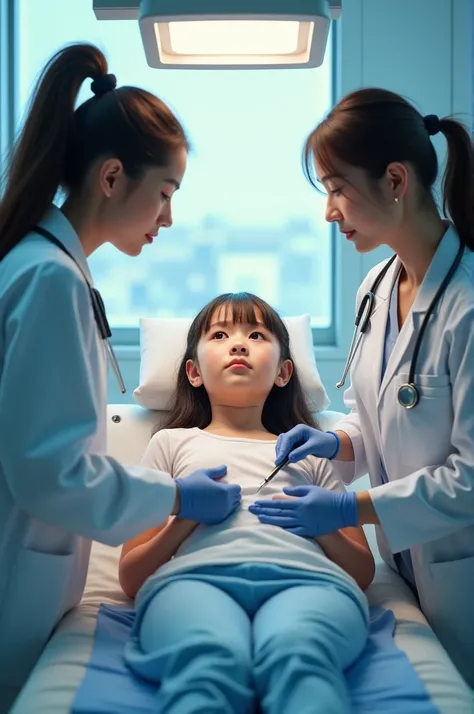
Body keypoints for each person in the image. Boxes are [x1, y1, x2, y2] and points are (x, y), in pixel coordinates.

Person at [0, 42, 240, 699]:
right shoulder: (47, 278)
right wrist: (176, 497)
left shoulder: (44, 267)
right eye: (165, 193)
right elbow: (51, 474)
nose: (169, 217)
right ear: (111, 178)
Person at [250, 87, 474, 687]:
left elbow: (471, 478)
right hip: (408, 563)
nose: (329, 212)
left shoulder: (469, 302)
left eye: (336, 188)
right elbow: (371, 416)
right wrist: (334, 442)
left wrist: (349, 506)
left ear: (395, 179)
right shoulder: (376, 286)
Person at [119, 292, 375, 714]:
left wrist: (324, 524)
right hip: (193, 582)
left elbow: (362, 572)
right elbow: (130, 576)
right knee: (207, 662)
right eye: (220, 334)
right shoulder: (169, 443)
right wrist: (185, 519)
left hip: (307, 583)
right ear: (194, 372)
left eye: (256, 334)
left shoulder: (309, 451)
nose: (238, 344)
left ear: (283, 372)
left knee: (300, 656)